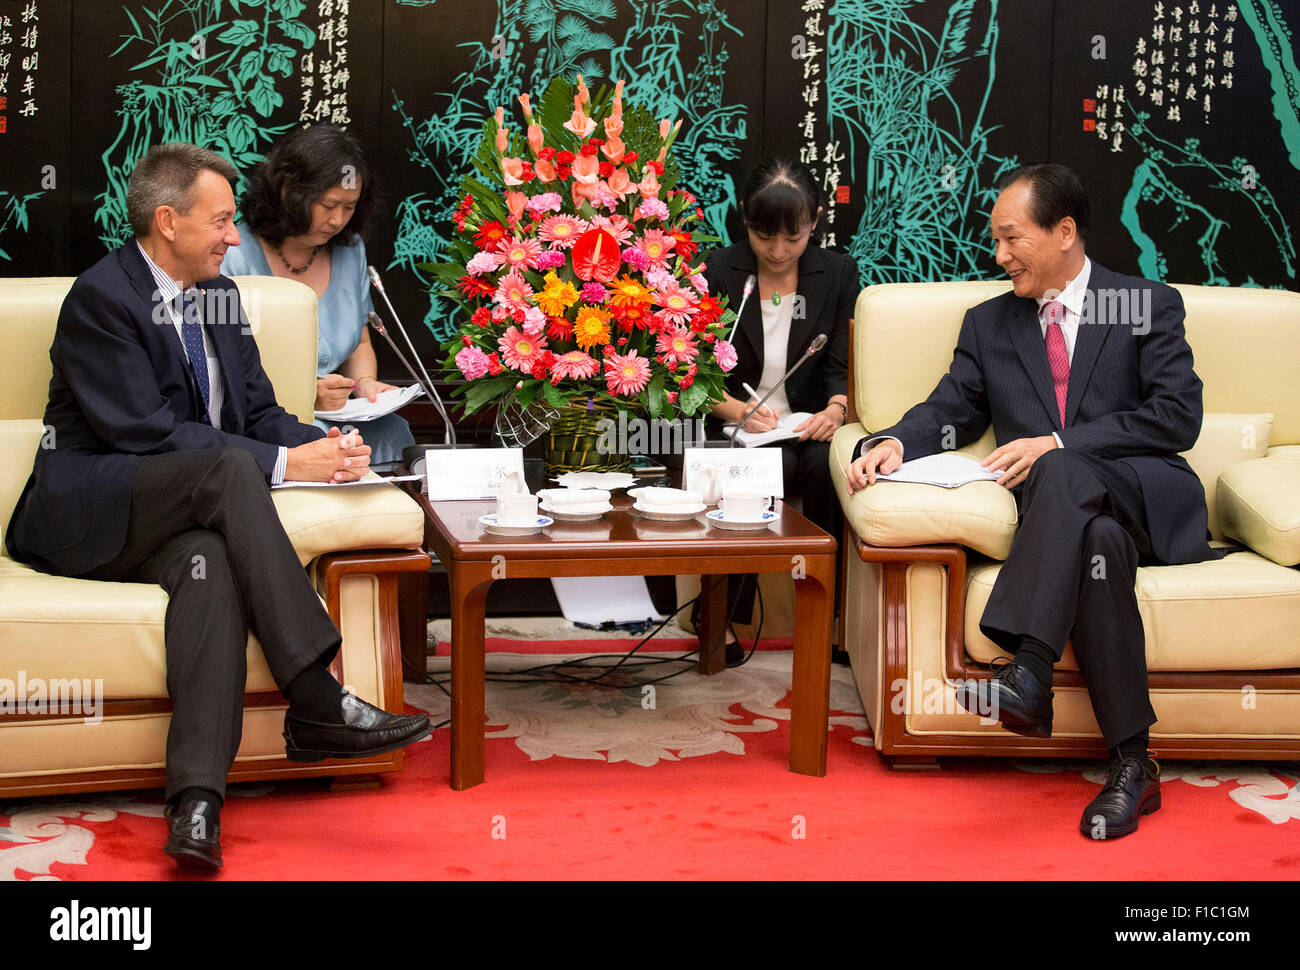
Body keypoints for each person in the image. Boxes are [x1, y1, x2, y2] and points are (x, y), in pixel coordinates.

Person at [5, 144, 432, 870]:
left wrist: (324, 450)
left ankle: (196, 805)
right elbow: (141, 432)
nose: (236, 239)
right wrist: (279, 463)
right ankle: (317, 699)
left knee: (207, 568)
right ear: (167, 222)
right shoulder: (101, 300)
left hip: (181, 518)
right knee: (234, 471)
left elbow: (261, 413)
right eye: (222, 222)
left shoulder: (220, 298)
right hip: (90, 511)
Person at [845, 163, 1216, 839]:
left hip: (1146, 497)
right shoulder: (991, 324)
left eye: (1011, 238)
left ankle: (1029, 670)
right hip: (1082, 527)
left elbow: (1177, 417)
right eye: (997, 240)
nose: (999, 256)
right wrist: (895, 440)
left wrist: (1056, 441)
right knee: (1093, 539)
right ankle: (1133, 763)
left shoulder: (1140, 303)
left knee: (1065, 466)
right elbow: (951, 409)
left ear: (1064, 232)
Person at [703, 158, 859, 660]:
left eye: (792, 238)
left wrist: (836, 410)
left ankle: (830, 620)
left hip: (809, 421)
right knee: (761, 469)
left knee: (821, 466)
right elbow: (688, 367)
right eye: (763, 236)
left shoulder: (837, 273)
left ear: (814, 221)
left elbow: (843, 363)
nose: (776, 251)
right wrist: (731, 409)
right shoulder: (716, 270)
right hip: (737, 422)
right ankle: (721, 616)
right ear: (746, 218)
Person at [220, 123, 415, 466]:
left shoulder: (350, 250)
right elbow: (221, 368)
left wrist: (366, 384)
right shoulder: (232, 255)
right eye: (327, 205)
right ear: (287, 190)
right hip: (265, 425)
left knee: (394, 431)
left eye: (349, 207)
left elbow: (359, 343)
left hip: (342, 419)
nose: (337, 219)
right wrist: (306, 396)